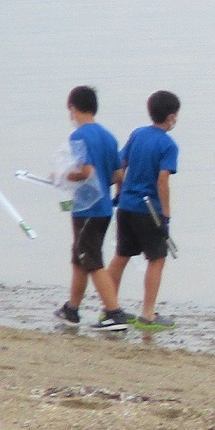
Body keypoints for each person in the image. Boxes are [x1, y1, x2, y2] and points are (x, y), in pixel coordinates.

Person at [55, 85, 129, 333]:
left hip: (87, 209)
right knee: (80, 258)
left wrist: (64, 176)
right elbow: (118, 174)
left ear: (72, 109)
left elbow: (86, 171)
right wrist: (114, 194)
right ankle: (72, 309)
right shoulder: (108, 137)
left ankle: (114, 312)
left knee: (93, 261)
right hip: (104, 207)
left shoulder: (78, 136)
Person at [107, 90, 181, 332]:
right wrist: (166, 214)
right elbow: (163, 181)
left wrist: (119, 192)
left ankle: (110, 308)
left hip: (126, 206)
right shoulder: (168, 145)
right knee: (157, 259)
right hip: (149, 209)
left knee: (121, 256)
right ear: (170, 116)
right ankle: (148, 314)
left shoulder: (137, 134)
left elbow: (120, 167)